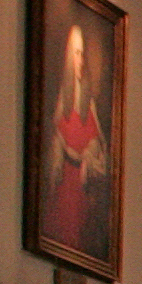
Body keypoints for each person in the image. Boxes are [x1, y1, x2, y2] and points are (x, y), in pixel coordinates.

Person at [44, 21, 112, 258]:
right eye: (77, 53)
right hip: (65, 183)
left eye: (83, 54)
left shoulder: (87, 103)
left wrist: (87, 155)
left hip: (80, 186)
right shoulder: (63, 101)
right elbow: (58, 136)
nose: (81, 60)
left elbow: (96, 141)